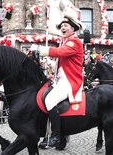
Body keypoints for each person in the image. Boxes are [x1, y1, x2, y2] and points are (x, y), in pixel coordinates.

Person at [30, 13, 84, 149]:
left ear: (73, 28)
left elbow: (60, 52)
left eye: (66, 25)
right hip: (61, 79)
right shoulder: (65, 41)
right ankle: (47, 134)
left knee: (50, 100)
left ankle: (56, 135)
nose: (63, 28)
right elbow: (62, 62)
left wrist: (40, 49)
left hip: (70, 80)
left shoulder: (74, 41)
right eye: (61, 26)